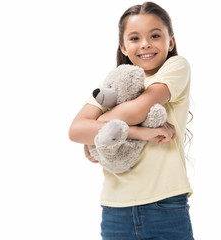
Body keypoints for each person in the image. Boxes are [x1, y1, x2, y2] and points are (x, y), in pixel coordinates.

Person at [68, 2, 194, 240]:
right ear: (123, 47)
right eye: (135, 38)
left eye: (155, 35)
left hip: (165, 205)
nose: (145, 43)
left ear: (171, 42)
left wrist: (99, 126)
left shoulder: (175, 67)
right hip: (115, 209)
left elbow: (138, 109)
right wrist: (139, 132)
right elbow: (75, 130)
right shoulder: (114, 83)